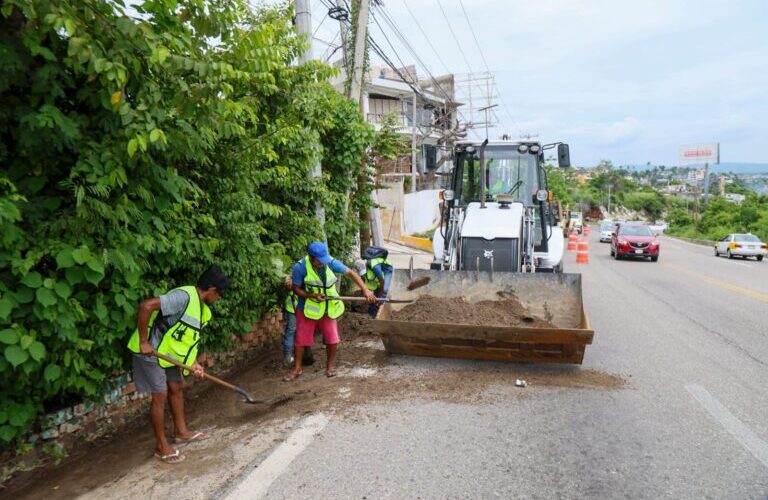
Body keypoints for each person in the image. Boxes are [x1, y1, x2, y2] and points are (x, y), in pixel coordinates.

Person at [127, 265, 229, 464]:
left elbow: (186, 339)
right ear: (211, 289)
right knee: (160, 395)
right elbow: (146, 306)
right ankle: (161, 447)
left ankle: (181, 432)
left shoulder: (202, 309)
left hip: (168, 354)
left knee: (176, 386)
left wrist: (193, 363)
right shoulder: (183, 297)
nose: (219, 298)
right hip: (151, 349)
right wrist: (143, 341)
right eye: (219, 294)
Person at [283, 242, 375, 381]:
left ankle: (330, 366)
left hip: (328, 307)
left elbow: (351, 273)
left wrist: (365, 289)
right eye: (319, 260)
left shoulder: (330, 262)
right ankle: (297, 369)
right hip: (307, 307)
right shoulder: (300, 267)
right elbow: (296, 289)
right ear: (311, 257)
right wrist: (312, 295)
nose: (322, 263)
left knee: (332, 338)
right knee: (301, 339)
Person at [361, 246, 393, 317]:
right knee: (373, 290)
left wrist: (380, 296)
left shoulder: (375, 266)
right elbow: (364, 280)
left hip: (387, 270)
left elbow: (382, 281)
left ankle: (380, 305)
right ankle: (372, 308)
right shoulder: (362, 266)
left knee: (384, 290)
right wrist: (365, 291)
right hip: (375, 272)